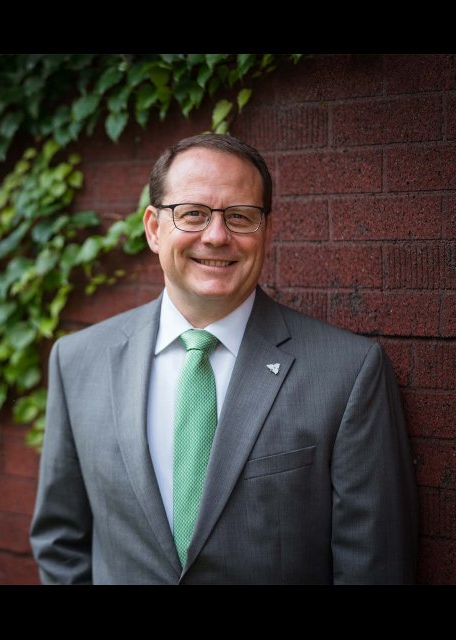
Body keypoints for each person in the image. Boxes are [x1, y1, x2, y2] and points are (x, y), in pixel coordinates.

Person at [29, 133, 419, 584]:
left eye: (240, 216)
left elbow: (375, 568)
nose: (217, 236)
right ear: (154, 229)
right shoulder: (77, 360)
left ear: (267, 232)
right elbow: (61, 543)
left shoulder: (348, 372)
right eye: (192, 214)